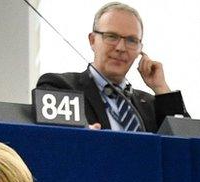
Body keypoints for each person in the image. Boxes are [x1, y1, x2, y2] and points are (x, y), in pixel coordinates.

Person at [35, 2, 186, 133]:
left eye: (131, 40)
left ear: (141, 49)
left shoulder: (150, 104)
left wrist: (160, 88)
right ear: (92, 40)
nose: (121, 47)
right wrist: (81, 137)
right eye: (112, 36)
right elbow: (52, 140)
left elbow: (187, 144)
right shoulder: (60, 86)